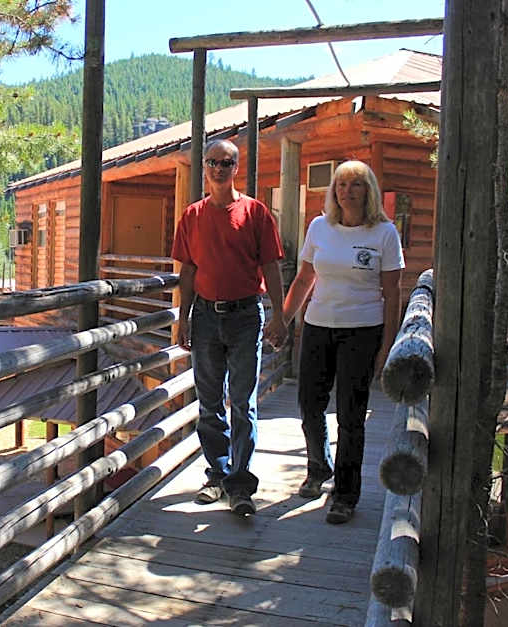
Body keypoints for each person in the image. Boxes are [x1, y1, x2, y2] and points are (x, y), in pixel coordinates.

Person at [282, 160, 404, 524]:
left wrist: (387, 345)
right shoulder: (320, 227)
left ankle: (346, 494)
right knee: (309, 404)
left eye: (355, 185)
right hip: (318, 326)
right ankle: (319, 467)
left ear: (369, 191)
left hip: (362, 330)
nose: (347, 191)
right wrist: (283, 319)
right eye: (341, 185)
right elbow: (304, 278)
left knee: (351, 415)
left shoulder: (383, 233)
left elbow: (393, 292)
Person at [172, 139, 288, 516]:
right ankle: (217, 475)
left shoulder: (255, 213)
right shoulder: (192, 216)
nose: (218, 169)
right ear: (204, 167)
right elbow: (187, 271)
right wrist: (183, 317)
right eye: (212, 162)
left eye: (226, 163)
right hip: (205, 317)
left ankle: (240, 484)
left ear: (236, 167)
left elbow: (271, 266)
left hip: (244, 317)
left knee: (242, 400)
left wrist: (279, 315)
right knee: (208, 402)